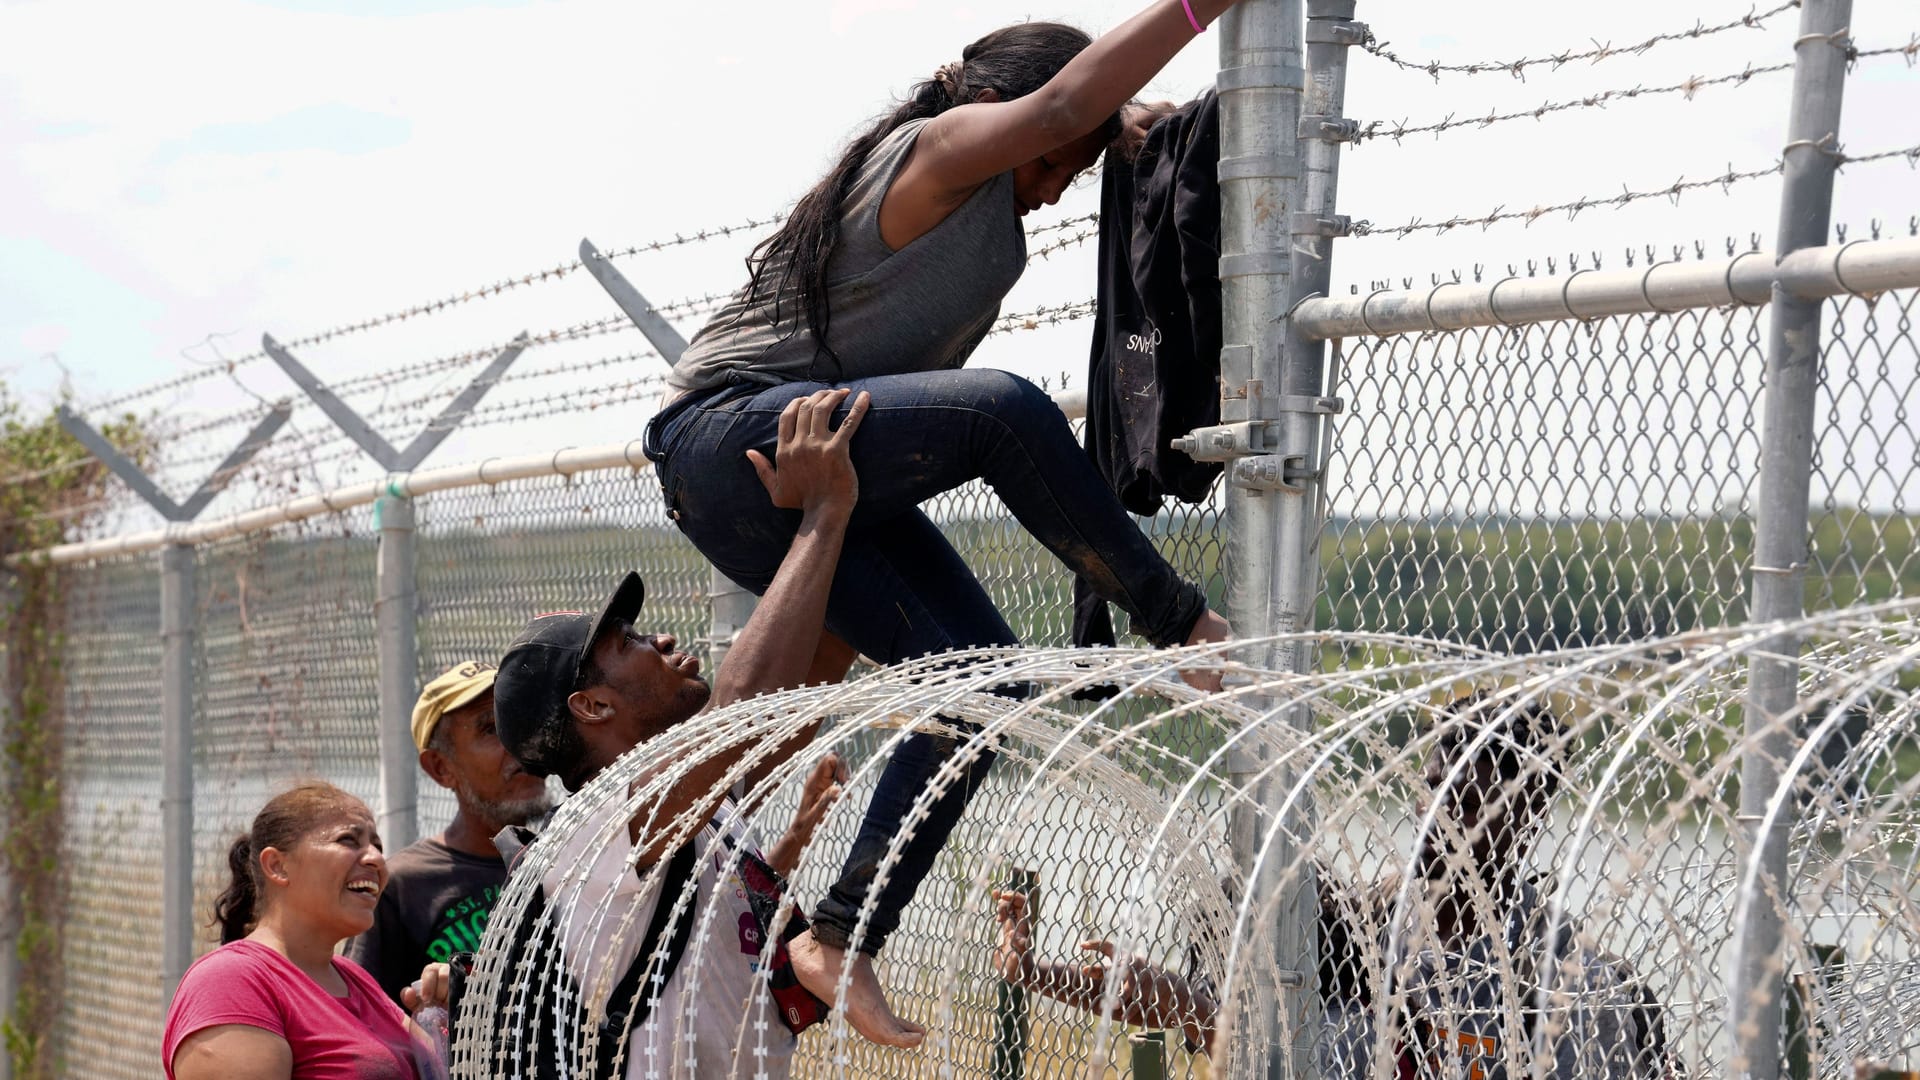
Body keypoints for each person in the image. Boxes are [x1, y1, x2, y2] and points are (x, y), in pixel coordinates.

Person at [642, 0, 1249, 1046]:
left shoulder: (1001, 170)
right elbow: (1065, 97)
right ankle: (1182, 623)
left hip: (818, 465)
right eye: (1060, 159)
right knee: (1004, 411)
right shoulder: (938, 149)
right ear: (1018, 117)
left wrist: (1135, 122)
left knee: (984, 683)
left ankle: (841, 931)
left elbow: (1083, 108)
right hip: (730, 442)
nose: (1060, 188)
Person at [479, 388, 868, 1078]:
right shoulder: (599, 830)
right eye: (628, 642)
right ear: (593, 706)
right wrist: (823, 513)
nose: (659, 636)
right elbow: (741, 708)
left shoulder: (701, 810)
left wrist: (846, 501)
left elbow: (819, 655)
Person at [164, 781, 446, 1080]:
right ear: (277, 866)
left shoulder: (357, 981)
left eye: (377, 846)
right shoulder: (230, 982)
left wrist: (444, 1012)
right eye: (348, 840)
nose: (376, 859)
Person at [348, 660, 554, 1007]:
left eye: (522, 721)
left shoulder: (568, 861)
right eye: (491, 728)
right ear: (441, 768)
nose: (521, 743)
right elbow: (361, 1022)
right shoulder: (402, 886)